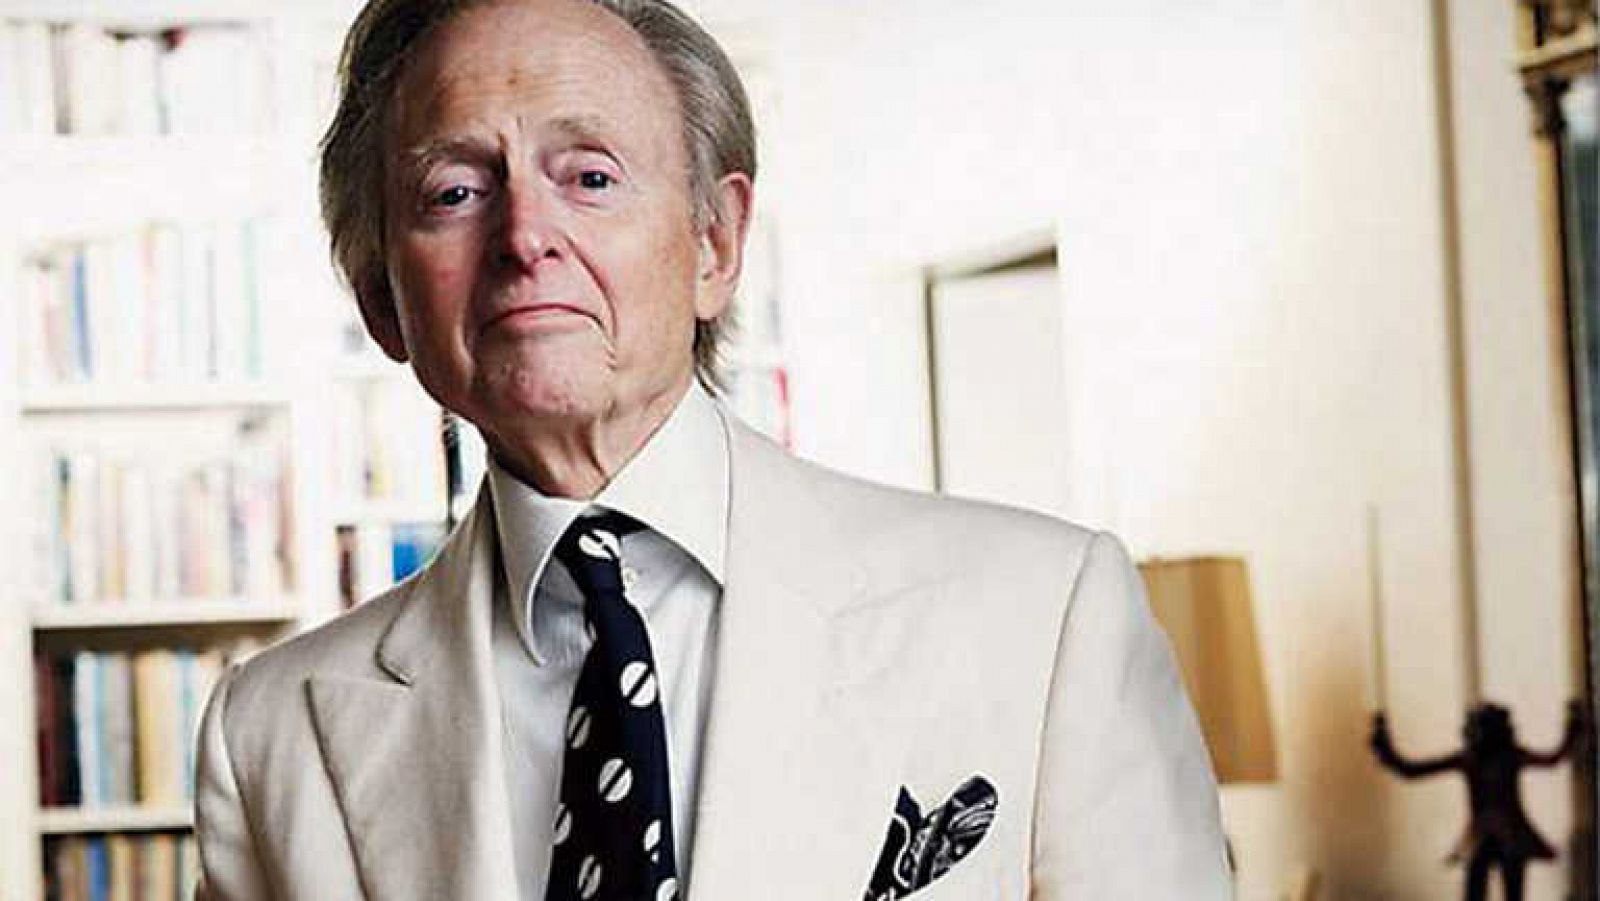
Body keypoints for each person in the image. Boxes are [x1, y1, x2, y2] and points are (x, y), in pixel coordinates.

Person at [193, 0, 1232, 898]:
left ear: (714, 243)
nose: (524, 236)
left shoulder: (1045, 616)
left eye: (589, 176)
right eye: (454, 192)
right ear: (381, 298)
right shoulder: (269, 735)